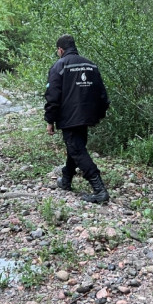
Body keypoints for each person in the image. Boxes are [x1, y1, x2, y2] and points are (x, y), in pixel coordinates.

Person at [44, 34, 110, 203]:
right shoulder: (90, 65)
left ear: (60, 50)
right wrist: (100, 113)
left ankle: (99, 190)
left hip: (69, 117)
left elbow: (53, 96)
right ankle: (66, 180)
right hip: (87, 116)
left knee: (77, 150)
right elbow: (102, 94)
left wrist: (49, 120)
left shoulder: (59, 66)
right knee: (75, 147)